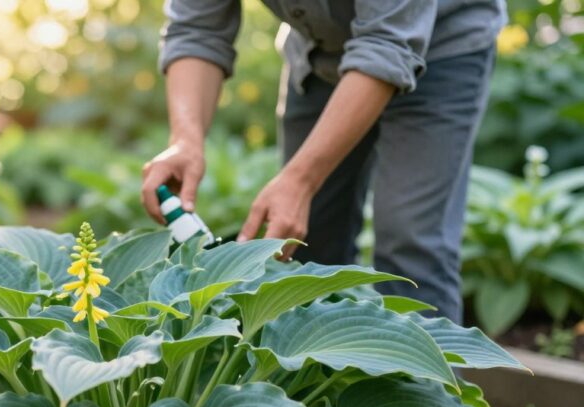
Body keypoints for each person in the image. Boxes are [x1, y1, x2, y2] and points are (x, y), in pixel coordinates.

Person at [140, 0, 504, 323]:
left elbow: (388, 43)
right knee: (309, 242)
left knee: (410, 242)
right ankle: (321, 394)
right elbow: (197, 28)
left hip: (442, 50)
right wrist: (185, 140)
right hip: (320, 54)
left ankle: (430, 397)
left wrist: (301, 179)